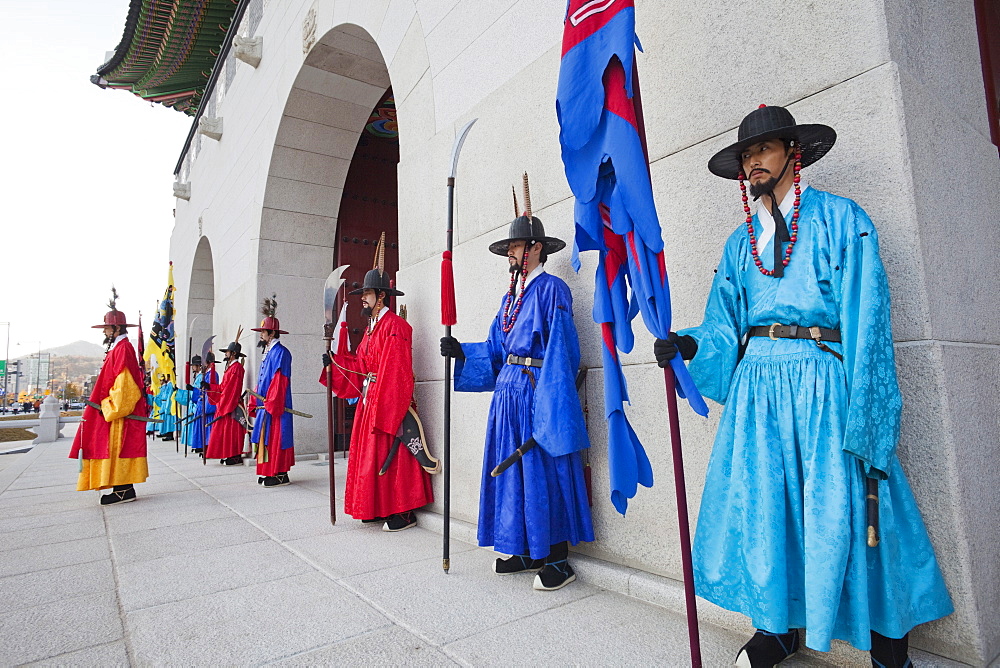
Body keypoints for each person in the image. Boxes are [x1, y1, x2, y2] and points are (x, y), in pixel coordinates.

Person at [653, 105, 952, 666]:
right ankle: (778, 627)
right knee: (767, 510)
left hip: (822, 385)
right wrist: (691, 345)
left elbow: (868, 317)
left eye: (762, 151)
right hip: (756, 395)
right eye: (745, 157)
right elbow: (724, 323)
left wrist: (871, 414)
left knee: (849, 509)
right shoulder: (738, 245)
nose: (752, 164)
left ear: (794, 152)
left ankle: (888, 641)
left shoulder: (843, 219)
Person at [441, 179, 593, 591]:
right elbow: (494, 348)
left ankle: (557, 557)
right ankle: (525, 548)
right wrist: (461, 352)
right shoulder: (509, 299)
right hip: (507, 394)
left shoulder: (552, 290)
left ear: (536, 248)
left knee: (543, 471)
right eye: (508, 249)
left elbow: (563, 352)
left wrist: (553, 406)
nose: (509, 255)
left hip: (538, 392)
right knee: (513, 473)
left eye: (514, 248)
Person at [320, 238, 435, 532]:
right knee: (371, 458)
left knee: (391, 457)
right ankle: (375, 507)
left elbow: (397, 372)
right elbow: (360, 367)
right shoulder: (372, 330)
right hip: (371, 399)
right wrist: (335, 363)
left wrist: (384, 409)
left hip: (387, 401)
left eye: (367, 294)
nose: (363, 299)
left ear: (381, 297)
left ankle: (403, 511)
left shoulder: (395, 327)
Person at [69, 292, 149, 504]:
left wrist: (110, 406)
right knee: (112, 448)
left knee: (117, 448)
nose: (104, 331)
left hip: (119, 412)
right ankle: (121, 487)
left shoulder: (123, 349)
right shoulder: (119, 348)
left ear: (117, 328)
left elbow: (127, 386)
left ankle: (123, 489)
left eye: (106, 327)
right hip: (113, 409)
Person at [250, 296, 295, 487]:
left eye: (263, 332)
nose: (261, 335)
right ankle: (269, 471)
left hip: (276, 405)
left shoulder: (281, 352)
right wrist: (256, 398)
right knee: (266, 439)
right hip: (265, 403)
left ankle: (279, 474)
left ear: (271, 333)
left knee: (277, 438)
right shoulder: (268, 352)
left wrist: (271, 402)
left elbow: (280, 381)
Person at [205, 337, 247, 466]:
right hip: (227, 403)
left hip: (232, 404)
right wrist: (209, 387)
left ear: (233, 353)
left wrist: (224, 406)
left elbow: (231, 389)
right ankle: (227, 454)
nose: (225, 354)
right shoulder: (230, 368)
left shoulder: (237, 368)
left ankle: (234, 456)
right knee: (225, 431)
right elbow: (223, 387)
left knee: (232, 432)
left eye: (227, 352)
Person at [186, 352, 219, 456]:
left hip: (208, 403)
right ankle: (203, 447)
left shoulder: (213, 374)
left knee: (207, 427)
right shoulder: (206, 374)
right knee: (201, 427)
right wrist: (195, 390)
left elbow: (213, 390)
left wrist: (203, 389)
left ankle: (209, 448)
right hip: (202, 403)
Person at [153, 373, 177, 441]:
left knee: (169, 420)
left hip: (167, 402)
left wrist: (168, 406)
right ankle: (165, 432)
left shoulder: (170, 385)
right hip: (164, 402)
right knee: (165, 419)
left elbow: (169, 395)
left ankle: (169, 434)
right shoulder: (167, 385)